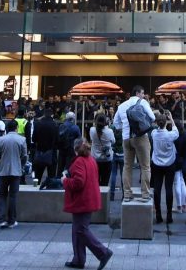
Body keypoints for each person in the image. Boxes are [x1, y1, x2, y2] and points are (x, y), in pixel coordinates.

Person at [62, 138, 114, 269]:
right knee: (77, 230)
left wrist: (65, 180)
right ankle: (78, 260)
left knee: (80, 230)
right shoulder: (90, 159)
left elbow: (79, 182)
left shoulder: (79, 161)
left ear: (75, 150)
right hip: (88, 198)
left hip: (82, 200)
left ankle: (103, 253)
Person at [113, 85, 155, 202]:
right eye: (142, 93)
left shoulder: (121, 106)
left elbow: (116, 124)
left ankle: (127, 194)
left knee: (127, 166)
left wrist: (125, 128)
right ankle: (145, 194)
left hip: (126, 138)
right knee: (145, 167)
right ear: (137, 93)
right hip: (141, 137)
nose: (143, 95)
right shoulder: (142, 102)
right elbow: (152, 117)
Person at [0, 119, 27, 228]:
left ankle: (1, 219)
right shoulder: (22, 139)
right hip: (16, 171)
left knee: (2, 195)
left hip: (3, 170)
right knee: (13, 196)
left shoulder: (1, 140)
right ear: (16, 128)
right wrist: (21, 165)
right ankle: (12, 220)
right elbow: (25, 156)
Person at [150, 112, 179, 224]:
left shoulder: (154, 134)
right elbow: (176, 130)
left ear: (157, 123)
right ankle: (169, 215)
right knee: (168, 188)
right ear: (166, 123)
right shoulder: (170, 135)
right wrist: (171, 118)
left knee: (157, 189)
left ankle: (158, 214)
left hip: (157, 164)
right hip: (169, 164)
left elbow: (154, 128)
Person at [32, 108, 60, 188]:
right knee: (51, 177)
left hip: (40, 152)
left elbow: (34, 139)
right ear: (52, 115)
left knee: (38, 176)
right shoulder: (55, 125)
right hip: (51, 154)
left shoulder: (37, 124)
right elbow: (58, 140)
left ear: (44, 114)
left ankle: (36, 191)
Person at [89, 113, 114, 186]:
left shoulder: (92, 130)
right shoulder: (109, 131)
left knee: (95, 181)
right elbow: (113, 141)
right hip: (107, 159)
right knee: (105, 181)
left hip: (95, 159)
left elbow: (91, 139)